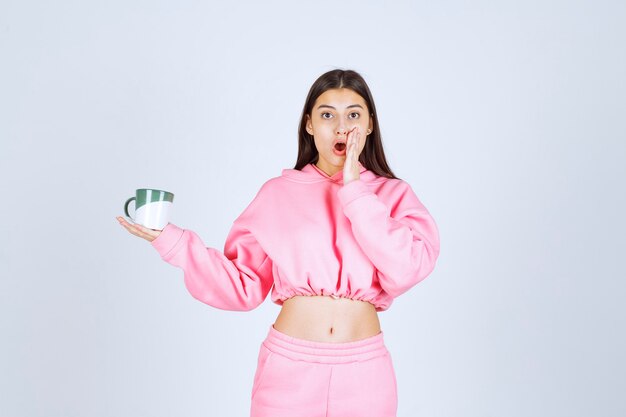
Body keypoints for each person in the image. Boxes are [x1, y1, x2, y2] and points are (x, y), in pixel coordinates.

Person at [117, 68, 440, 417]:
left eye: (354, 115)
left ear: (370, 126)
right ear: (310, 125)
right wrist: (175, 242)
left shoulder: (391, 194)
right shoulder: (278, 193)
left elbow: (407, 268)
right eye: (327, 114)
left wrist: (354, 187)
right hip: (289, 371)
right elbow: (242, 284)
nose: (342, 126)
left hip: (364, 375)